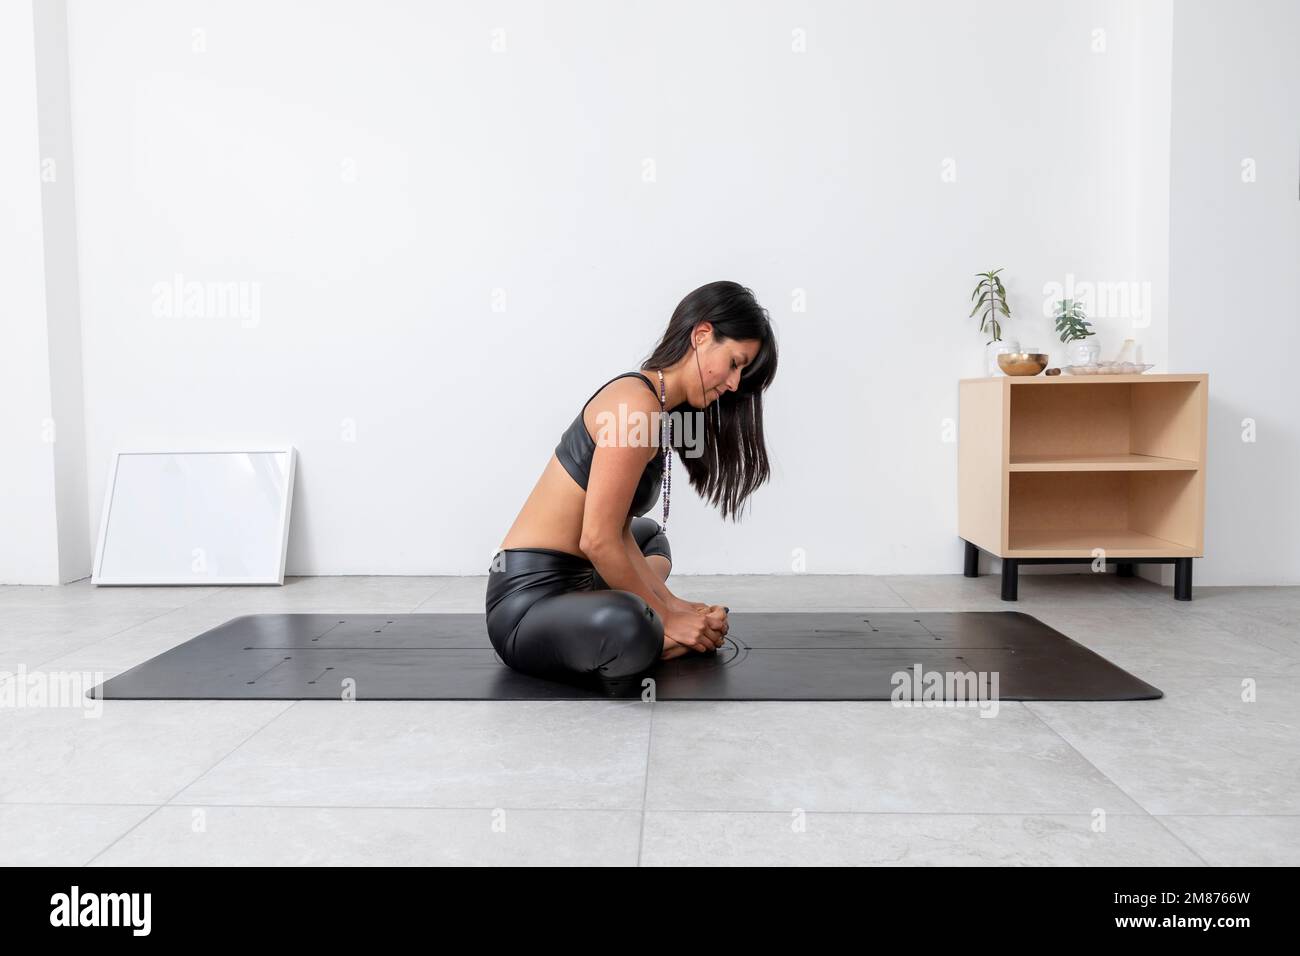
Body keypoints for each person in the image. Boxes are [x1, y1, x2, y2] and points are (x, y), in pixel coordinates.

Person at [485, 280, 778, 691]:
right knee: (630, 625)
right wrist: (673, 618)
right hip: (527, 605)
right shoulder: (635, 405)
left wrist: (675, 605)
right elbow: (598, 540)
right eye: (734, 363)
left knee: (649, 537)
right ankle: (658, 632)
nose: (733, 384)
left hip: (582, 580)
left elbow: (620, 531)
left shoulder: (657, 409)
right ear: (701, 336)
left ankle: (658, 625)